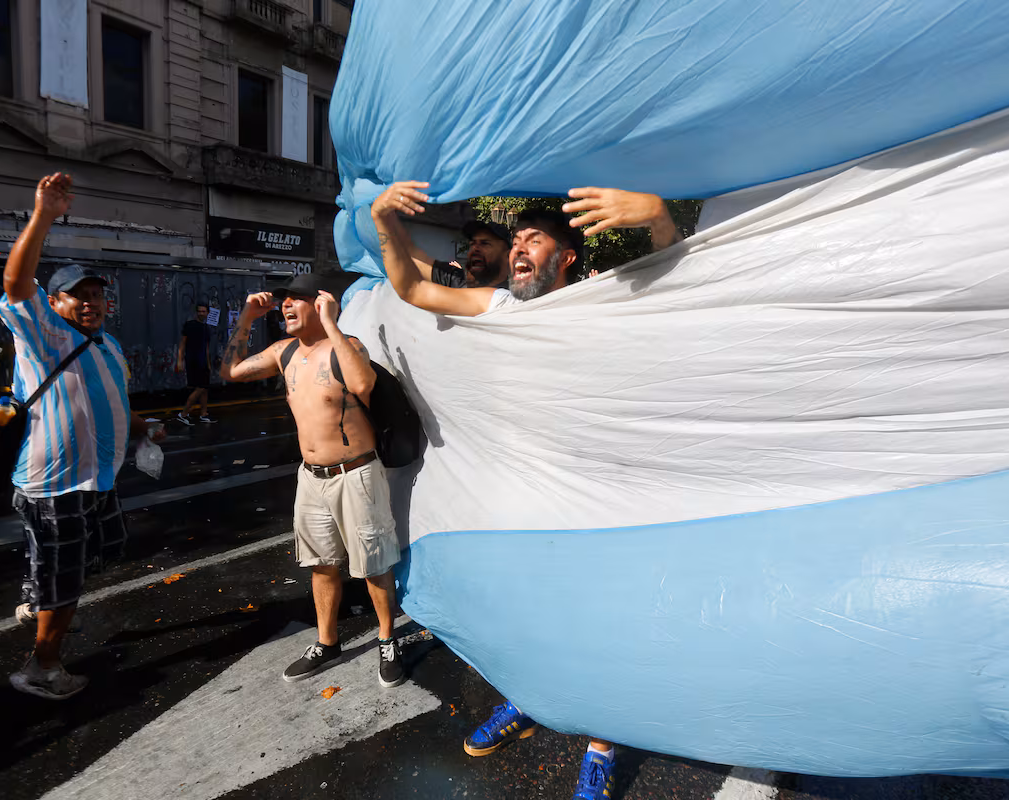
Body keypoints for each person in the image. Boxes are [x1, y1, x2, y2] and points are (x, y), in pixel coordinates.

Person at [371, 181, 679, 800]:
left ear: (567, 256)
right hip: (519, 498)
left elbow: (680, 284)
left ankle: (600, 742)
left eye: (534, 239)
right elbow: (408, 287)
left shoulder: (600, 302)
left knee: (596, 622)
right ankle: (531, 697)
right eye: (515, 240)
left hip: (598, 501)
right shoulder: (501, 307)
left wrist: (660, 218)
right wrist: (385, 221)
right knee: (529, 614)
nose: (518, 248)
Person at [0, 172, 164, 700]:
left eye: (97, 295)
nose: (91, 302)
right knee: (65, 577)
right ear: (55, 302)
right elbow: (15, 285)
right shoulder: (43, 335)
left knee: (102, 549)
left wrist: (144, 429)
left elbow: (113, 405)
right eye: (78, 295)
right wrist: (43, 214)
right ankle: (42, 666)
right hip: (56, 486)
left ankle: (39, 588)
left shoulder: (108, 346)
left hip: (98, 479)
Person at [220, 272, 406, 688]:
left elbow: (363, 384)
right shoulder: (283, 352)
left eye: (297, 299)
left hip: (356, 473)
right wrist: (247, 318)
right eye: (283, 299)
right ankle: (328, 641)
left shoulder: (345, 345)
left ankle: (387, 638)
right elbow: (230, 371)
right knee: (321, 564)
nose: (286, 305)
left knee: (373, 564)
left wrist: (332, 323)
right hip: (311, 478)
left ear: (319, 302)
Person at [394, 218, 512, 289]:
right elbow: (410, 258)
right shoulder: (457, 281)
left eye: (485, 243)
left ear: (507, 256)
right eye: (472, 243)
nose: (475, 248)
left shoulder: (518, 300)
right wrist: (383, 217)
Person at [176, 304, 215, 424]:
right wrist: (179, 360)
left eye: (203, 311)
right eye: (199, 311)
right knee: (200, 388)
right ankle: (183, 414)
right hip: (193, 361)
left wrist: (208, 364)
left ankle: (204, 414)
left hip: (203, 361)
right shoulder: (190, 325)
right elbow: (182, 344)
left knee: (204, 389)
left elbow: (207, 348)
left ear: (208, 313)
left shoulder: (206, 328)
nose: (201, 313)